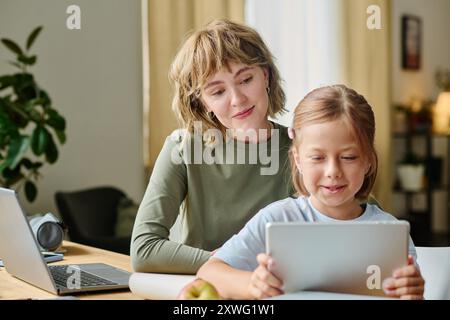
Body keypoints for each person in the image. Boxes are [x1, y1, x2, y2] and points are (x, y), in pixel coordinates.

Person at [197, 84, 425, 300]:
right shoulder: (277, 219)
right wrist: (252, 284)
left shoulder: (390, 233)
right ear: (298, 160)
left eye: (348, 157)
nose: (333, 172)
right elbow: (210, 272)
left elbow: (406, 293)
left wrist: (413, 293)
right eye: (317, 158)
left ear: (368, 161)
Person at [130, 19, 292, 274]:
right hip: (201, 292)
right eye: (217, 92)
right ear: (203, 102)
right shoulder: (182, 148)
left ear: (266, 75)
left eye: (246, 79)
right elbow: (144, 249)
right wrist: (225, 264)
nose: (237, 100)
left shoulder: (303, 150)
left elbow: (362, 222)